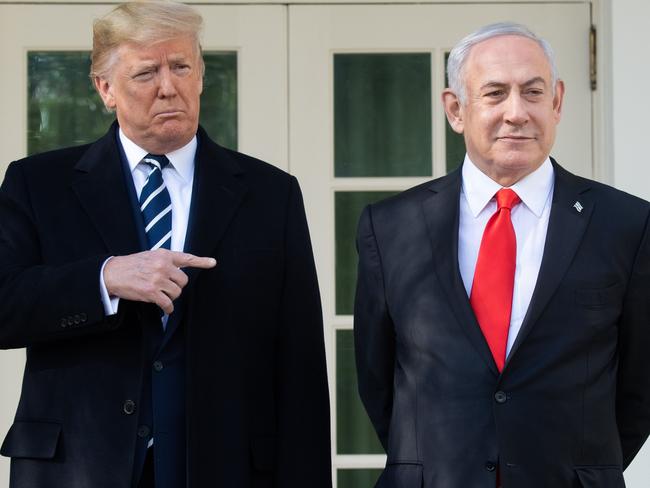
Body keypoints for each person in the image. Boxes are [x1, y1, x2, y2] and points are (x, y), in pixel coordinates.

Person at [0, 2, 331, 487]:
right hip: (77, 467)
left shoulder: (270, 193)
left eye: (181, 67)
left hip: (227, 466)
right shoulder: (37, 183)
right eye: (146, 72)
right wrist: (104, 279)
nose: (168, 86)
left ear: (199, 76)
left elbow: (300, 361)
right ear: (105, 89)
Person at [354, 22, 650, 488]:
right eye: (495, 93)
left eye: (533, 92)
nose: (517, 112)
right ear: (455, 109)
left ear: (556, 103)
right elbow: (377, 378)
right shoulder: (391, 226)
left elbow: (639, 388)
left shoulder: (626, 224)